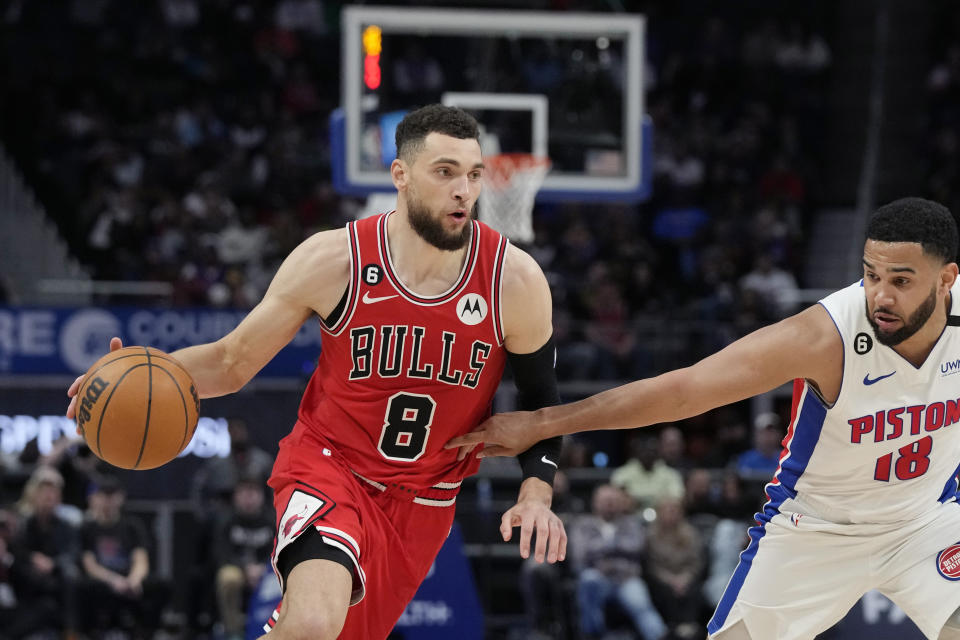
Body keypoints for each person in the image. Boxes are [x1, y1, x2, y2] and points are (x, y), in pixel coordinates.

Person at [67, 104, 566, 640]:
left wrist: (537, 492)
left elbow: (543, 403)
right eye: (444, 172)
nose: (463, 190)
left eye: (472, 175)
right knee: (310, 624)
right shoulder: (336, 260)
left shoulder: (513, 281)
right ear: (400, 175)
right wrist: (138, 374)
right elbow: (232, 363)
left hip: (425, 502)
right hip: (330, 467)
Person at [448, 197, 960, 639]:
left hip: (925, 521)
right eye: (871, 275)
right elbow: (683, 391)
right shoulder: (825, 336)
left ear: (945, 280)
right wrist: (542, 423)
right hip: (815, 528)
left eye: (901, 280)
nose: (881, 295)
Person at [569, 483, 666, 640]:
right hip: (598, 577)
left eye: (613, 501)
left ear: (620, 503)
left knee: (640, 603)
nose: (609, 505)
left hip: (626, 579)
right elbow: (580, 554)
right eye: (605, 501)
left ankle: (659, 636)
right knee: (588, 579)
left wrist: (602, 549)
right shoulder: (583, 524)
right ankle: (592, 634)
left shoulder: (631, 523)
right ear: (595, 502)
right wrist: (616, 548)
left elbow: (638, 548)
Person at [78, 474, 171, 637]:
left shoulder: (132, 526)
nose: (108, 501)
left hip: (128, 577)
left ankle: (147, 631)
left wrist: (134, 580)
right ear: (96, 498)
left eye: (112, 495)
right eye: (104, 495)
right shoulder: (88, 528)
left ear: (120, 498)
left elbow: (141, 559)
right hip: (104, 580)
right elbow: (90, 565)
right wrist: (113, 581)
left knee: (162, 584)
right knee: (83, 587)